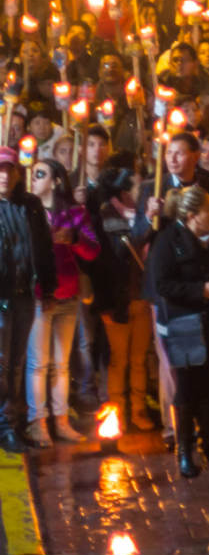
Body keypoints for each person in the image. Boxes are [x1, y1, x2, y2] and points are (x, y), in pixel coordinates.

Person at [147, 186, 209, 478]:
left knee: (208, 387)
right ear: (193, 215)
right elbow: (163, 285)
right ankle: (185, 451)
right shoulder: (168, 241)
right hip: (183, 325)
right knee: (186, 390)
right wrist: (201, 290)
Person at [24, 159, 98, 447]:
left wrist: (75, 239)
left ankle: (61, 419)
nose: (34, 178)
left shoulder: (74, 213)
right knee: (38, 363)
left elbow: (93, 250)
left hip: (67, 293)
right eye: (32, 173)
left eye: (40, 174)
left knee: (61, 363)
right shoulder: (26, 213)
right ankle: (37, 422)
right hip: (39, 296)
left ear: (55, 181)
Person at [0, 148, 57, 453]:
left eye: (9, 169)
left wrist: (47, 288)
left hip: (23, 294)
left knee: (17, 362)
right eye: (0, 169)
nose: (4, 175)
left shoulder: (30, 205)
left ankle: (12, 421)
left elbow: (44, 247)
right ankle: (4, 424)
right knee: (1, 362)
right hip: (1, 296)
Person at [93, 166, 155, 431]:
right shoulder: (106, 215)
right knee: (118, 360)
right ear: (124, 190)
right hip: (118, 298)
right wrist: (147, 221)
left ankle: (139, 410)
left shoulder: (143, 216)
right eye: (138, 186)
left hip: (142, 297)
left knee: (139, 359)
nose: (144, 191)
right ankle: (116, 413)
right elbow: (121, 250)